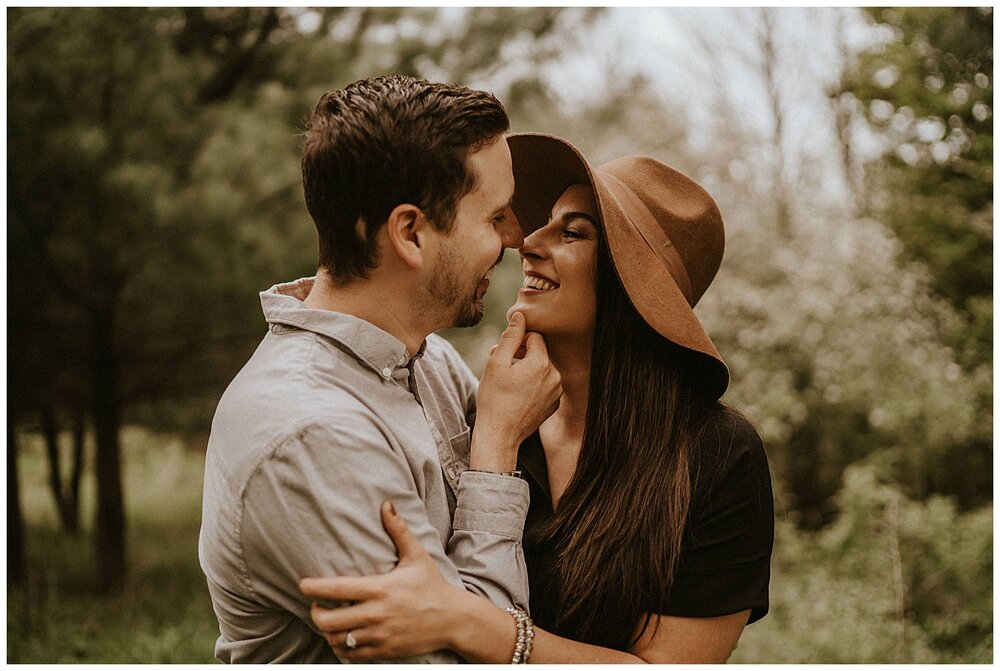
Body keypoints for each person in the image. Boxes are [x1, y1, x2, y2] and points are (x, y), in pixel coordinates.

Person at [300, 133, 775, 663]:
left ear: (631, 287)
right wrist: (498, 441)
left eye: (573, 233)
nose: (526, 241)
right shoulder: (485, 414)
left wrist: (469, 622)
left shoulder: (716, 455)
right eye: (545, 220)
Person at [198, 78, 562, 663]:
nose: (516, 237)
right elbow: (459, 663)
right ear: (411, 233)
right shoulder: (312, 436)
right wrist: (494, 447)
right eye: (496, 216)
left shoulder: (430, 361)